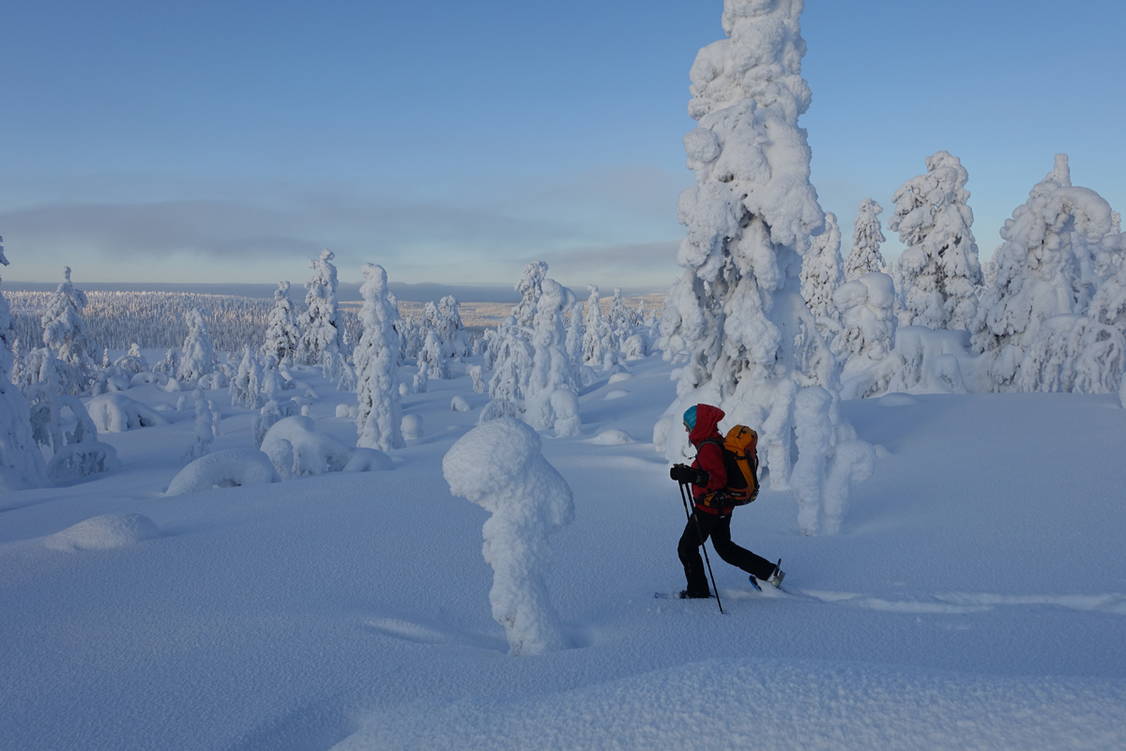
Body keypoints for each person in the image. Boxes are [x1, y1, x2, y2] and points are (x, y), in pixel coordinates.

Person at [669, 403, 784, 599]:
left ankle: (698, 591)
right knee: (725, 549)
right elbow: (713, 472)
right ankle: (769, 573)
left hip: (709, 509)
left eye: (687, 425)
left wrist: (691, 476)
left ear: (699, 425)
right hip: (721, 508)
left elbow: (716, 479)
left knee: (686, 548)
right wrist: (690, 473)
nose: (685, 429)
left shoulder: (708, 447)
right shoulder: (713, 441)